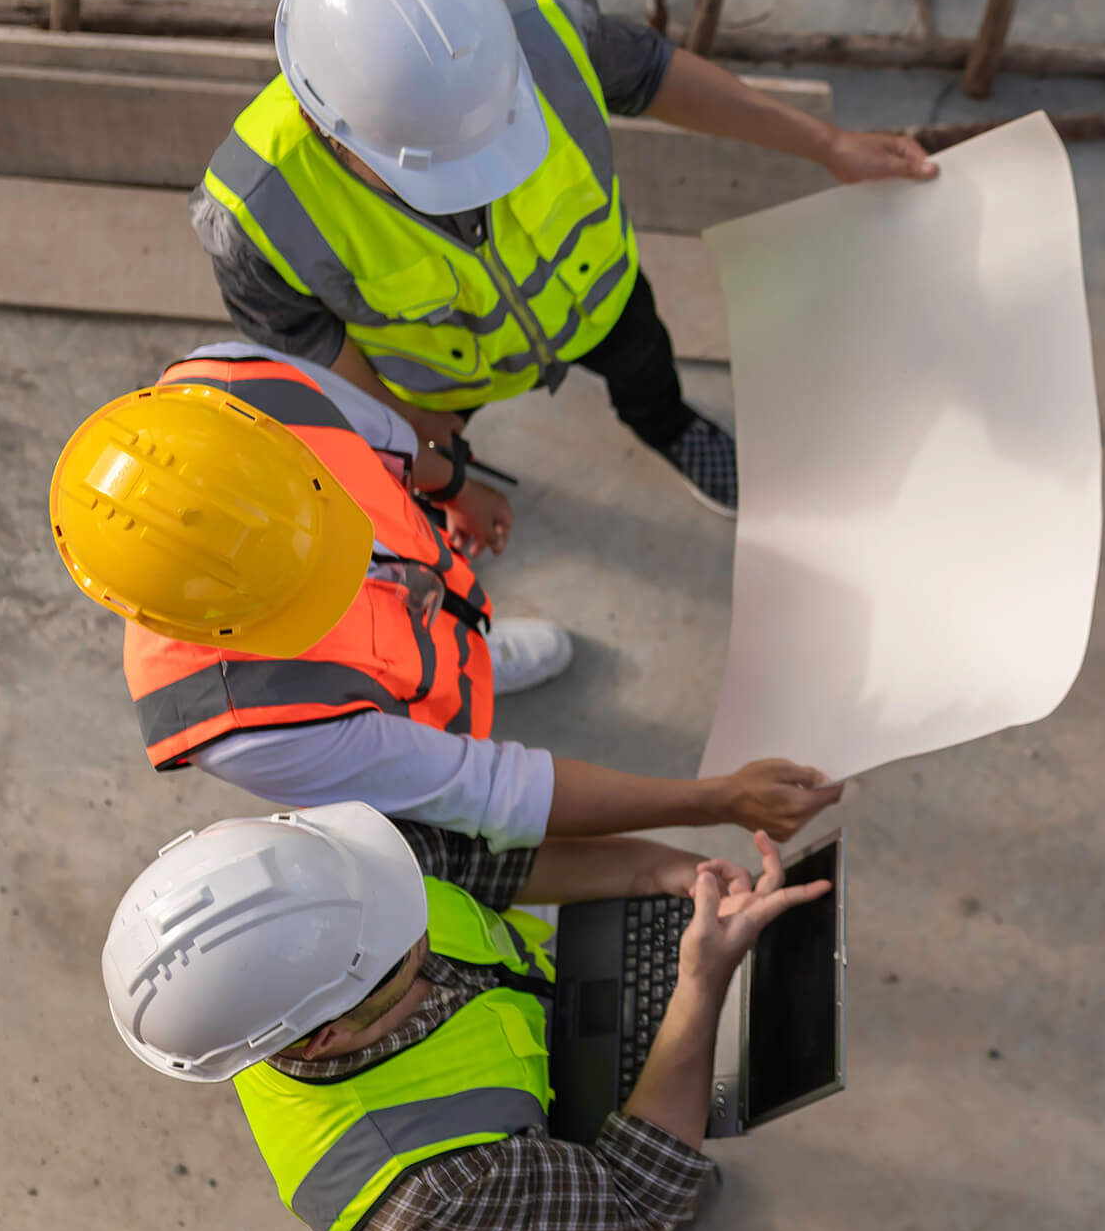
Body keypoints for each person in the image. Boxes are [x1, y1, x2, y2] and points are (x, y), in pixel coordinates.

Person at [189, 0, 936, 518]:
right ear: (328, 129)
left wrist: (826, 144)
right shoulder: (255, 211)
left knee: (646, 366)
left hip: (598, 301)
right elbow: (315, 348)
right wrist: (413, 441)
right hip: (434, 378)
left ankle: (667, 425)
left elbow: (655, 76)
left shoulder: (543, 35)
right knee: (422, 469)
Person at [51, 346, 843, 853]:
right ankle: (458, 675)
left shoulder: (234, 385)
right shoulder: (248, 725)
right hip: (395, 701)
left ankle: (477, 659)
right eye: (308, 593)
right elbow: (491, 790)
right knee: (438, 758)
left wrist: (456, 486)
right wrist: (715, 801)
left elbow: (384, 437)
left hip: (434, 616)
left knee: (436, 636)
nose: (354, 566)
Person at [101, 802, 829, 1231]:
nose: (408, 899)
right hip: (513, 1208)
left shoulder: (339, 876)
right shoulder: (419, 1202)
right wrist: (700, 984)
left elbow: (490, 871)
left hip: (550, 1043)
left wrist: (664, 873)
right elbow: (635, 1200)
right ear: (328, 1036)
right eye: (397, 946)